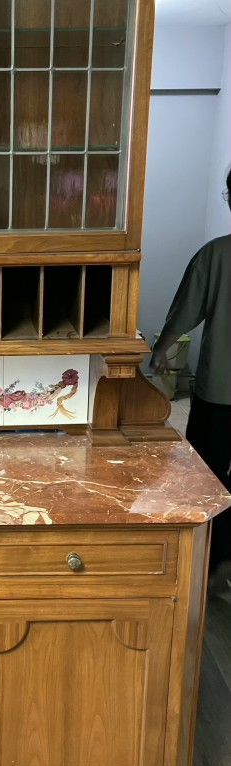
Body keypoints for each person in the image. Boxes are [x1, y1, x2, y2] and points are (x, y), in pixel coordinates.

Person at [150, 168, 231, 585]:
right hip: (218, 390)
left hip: (221, 391)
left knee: (206, 476)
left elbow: (185, 311)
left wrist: (160, 349)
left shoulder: (216, 255)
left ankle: (209, 564)